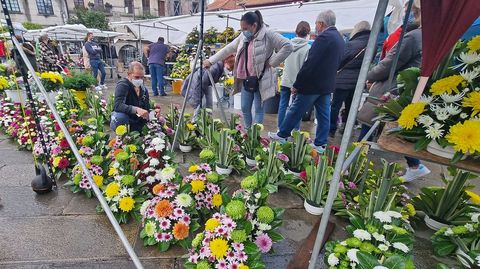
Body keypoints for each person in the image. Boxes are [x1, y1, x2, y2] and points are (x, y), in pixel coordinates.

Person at [357, 0, 429, 182]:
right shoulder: (428, 37)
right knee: (393, 131)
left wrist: (369, 74)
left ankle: (354, 163)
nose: (407, 14)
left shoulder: (413, 37)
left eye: (410, 10)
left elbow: (389, 64)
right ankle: (415, 165)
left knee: (369, 124)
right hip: (407, 92)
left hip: (392, 90)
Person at [269, 10, 345, 153]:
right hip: (327, 85)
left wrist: (297, 85)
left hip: (312, 85)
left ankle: (282, 134)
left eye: (316, 23)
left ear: (321, 23)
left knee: (295, 110)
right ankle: (320, 144)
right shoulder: (340, 39)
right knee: (323, 115)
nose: (316, 27)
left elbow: (310, 64)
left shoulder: (323, 38)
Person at [204, 10, 293, 128]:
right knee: (245, 108)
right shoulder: (243, 37)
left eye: (245, 28)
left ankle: (254, 138)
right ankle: (247, 133)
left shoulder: (268, 34)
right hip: (246, 79)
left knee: (258, 109)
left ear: (254, 25)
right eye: (242, 29)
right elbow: (228, 48)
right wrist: (211, 60)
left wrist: (272, 62)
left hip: (261, 79)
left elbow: (288, 46)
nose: (243, 31)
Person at [329, 21, 371, 137]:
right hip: (358, 81)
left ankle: (331, 128)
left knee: (335, 106)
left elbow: (340, 60)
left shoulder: (351, 44)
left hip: (342, 80)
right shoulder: (371, 44)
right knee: (351, 107)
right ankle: (346, 128)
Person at [277, 21, 311, 131]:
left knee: (283, 105)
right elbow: (306, 68)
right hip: (298, 83)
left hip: (285, 80)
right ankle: (295, 130)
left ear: (296, 32)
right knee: (297, 108)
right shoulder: (307, 49)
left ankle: (280, 129)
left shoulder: (287, 45)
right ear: (308, 33)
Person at [111, 61, 151, 132]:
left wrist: (153, 112)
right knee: (120, 117)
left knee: (158, 119)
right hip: (126, 117)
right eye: (137, 77)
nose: (140, 80)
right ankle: (122, 135)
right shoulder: (123, 85)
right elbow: (117, 105)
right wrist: (136, 109)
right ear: (129, 74)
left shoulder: (143, 89)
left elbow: (146, 108)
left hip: (136, 119)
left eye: (142, 77)